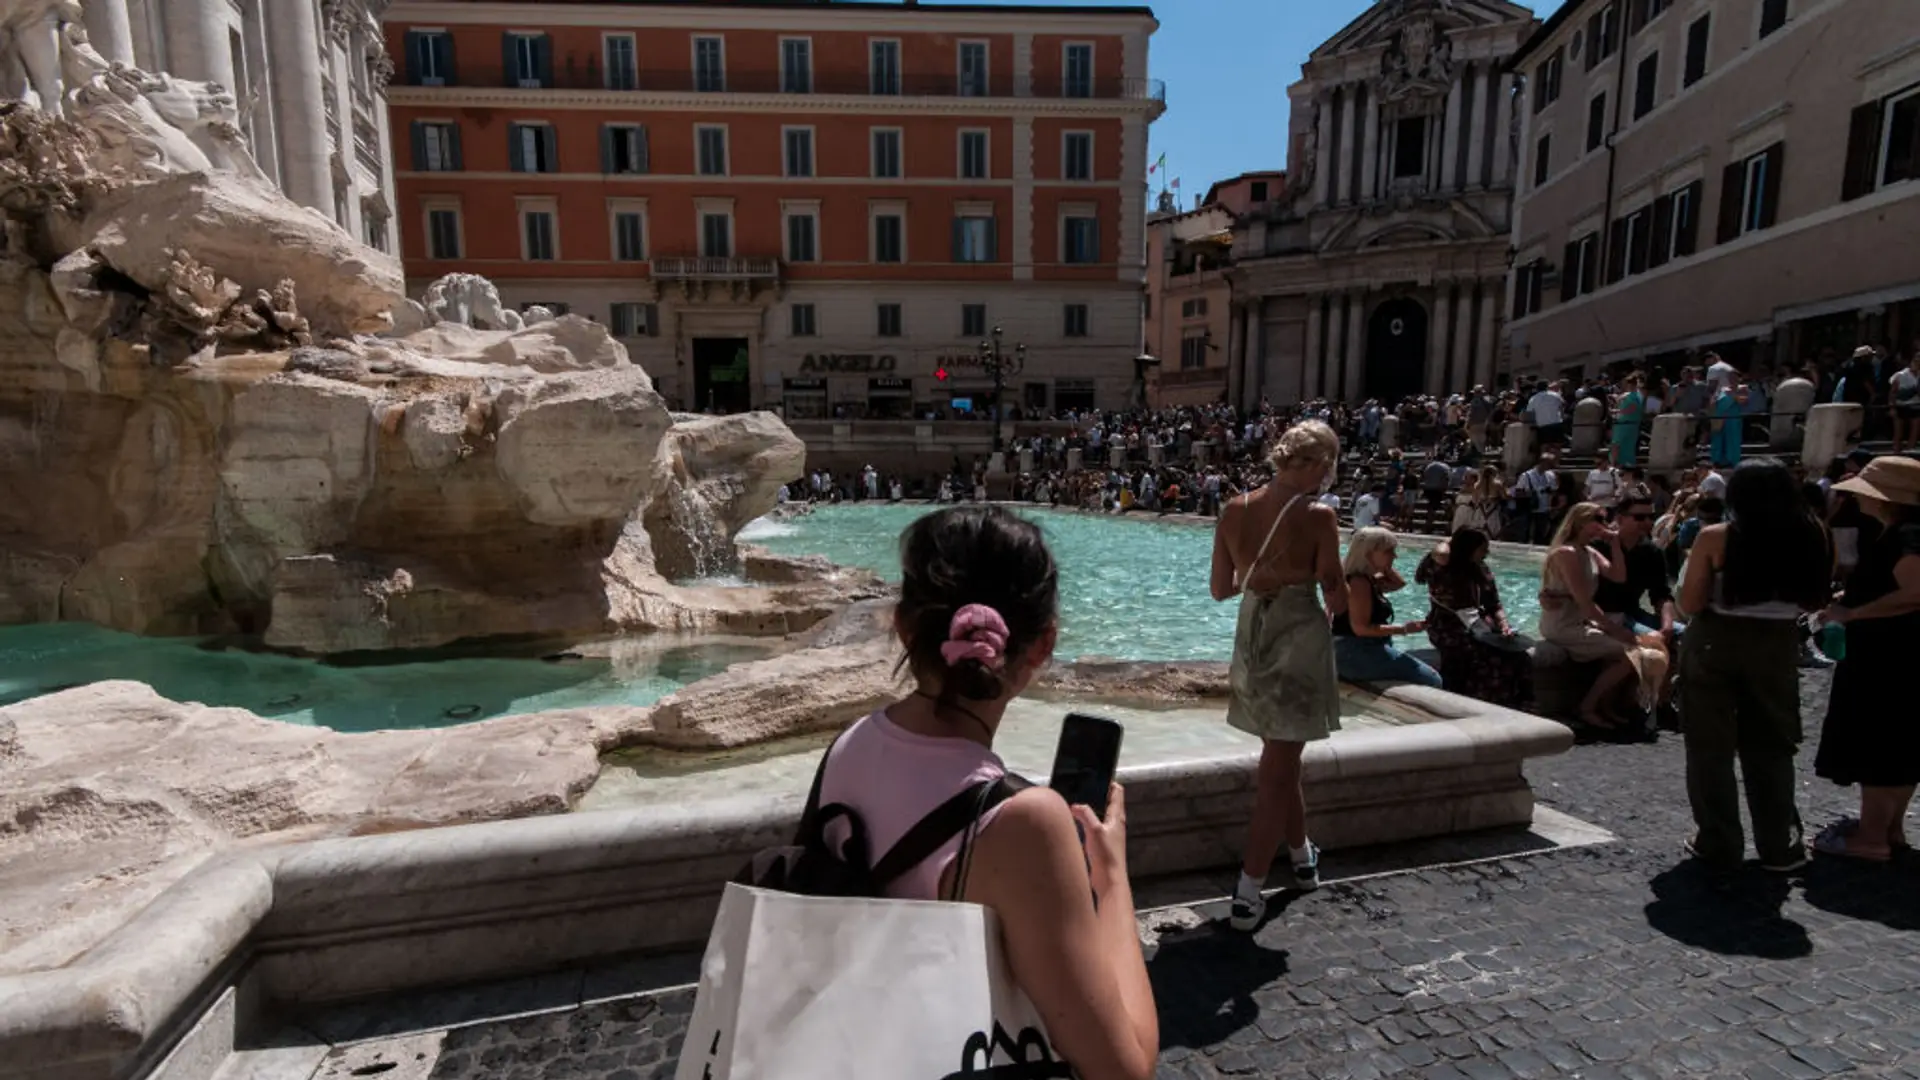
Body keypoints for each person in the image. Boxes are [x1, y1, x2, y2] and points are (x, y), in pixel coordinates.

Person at [817, 506, 1159, 1078]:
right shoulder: (1024, 823)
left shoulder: (847, 746)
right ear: (1043, 644)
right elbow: (1124, 1067)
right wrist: (1112, 874)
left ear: (901, 624)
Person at [1210, 420, 1349, 931]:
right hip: (1296, 638)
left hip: (1252, 636)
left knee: (1281, 754)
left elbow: (1220, 589)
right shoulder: (1319, 517)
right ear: (1315, 464)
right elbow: (1334, 594)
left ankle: (1301, 855)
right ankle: (1249, 888)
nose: (1330, 478)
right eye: (1330, 467)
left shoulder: (1234, 508)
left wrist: (1260, 573)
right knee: (1278, 766)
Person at [1675, 460, 1831, 871]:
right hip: (1777, 645)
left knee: (1710, 748)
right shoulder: (1813, 534)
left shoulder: (1717, 537)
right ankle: (1779, 845)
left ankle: (1718, 841)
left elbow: (1689, 604)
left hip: (1716, 640)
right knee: (1772, 746)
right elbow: (1815, 599)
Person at [1812, 457, 1920, 862]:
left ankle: (1872, 836)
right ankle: (1890, 829)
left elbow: (1914, 592)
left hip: (1888, 658)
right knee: (1901, 746)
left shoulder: (1906, 537)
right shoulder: (1900, 533)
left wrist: (1852, 613)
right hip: (1897, 655)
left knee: (1880, 743)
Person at [1539, 502, 1669, 731]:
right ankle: (1587, 707)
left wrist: (1615, 543)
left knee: (1627, 653)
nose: (1604, 524)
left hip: (1580, 623)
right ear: (1580, 521)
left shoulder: (1589, 551)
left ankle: (1609, 706)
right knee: (1630, 654)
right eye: (1597, 519)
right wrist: (1614, 629)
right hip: (1563, 624)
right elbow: (1585, 603)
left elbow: (1619, 576)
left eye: (1604, 519)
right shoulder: (1566, 553)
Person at [1416, 529, 1532, 707]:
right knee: (1484, 657)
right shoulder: (1441, 567)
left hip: (1478, 625)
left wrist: (1503, 624)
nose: (1487, 553)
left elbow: (1494, 604)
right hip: (1447, 626)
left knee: (1519, 656)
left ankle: (1517, 704)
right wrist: (1452, 540)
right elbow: (1440, 552)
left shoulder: (1481, 568)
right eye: (1483, 549)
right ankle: (1478, 704)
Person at [1332, 527, 1442, 688]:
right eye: (1389, 551)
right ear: (1369, 553)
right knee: (1433, 680)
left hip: (1358, 649)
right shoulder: (1358, 583)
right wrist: (1404, 629)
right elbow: (1361, 628)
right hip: (1355, 652)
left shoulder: (1367, 579)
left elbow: (1398, 583)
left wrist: (1384, 566)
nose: (1395, 555)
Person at [1515, 454, 1562, 545]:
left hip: (1544, 509)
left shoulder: (1550, 475)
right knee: (1525, 534)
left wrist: (1550, 494)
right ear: (1542, 462)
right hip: (1529, 509)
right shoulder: (1527, 475)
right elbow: (1518, 492)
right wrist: (1533, 493)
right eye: (1549, 463)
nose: (1550, 466)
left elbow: (1555, 491)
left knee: (1540, 535)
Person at [1612, 374, 1646, 467]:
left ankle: (1614, 465)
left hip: (1625, 424)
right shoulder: (1635, 395)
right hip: (1631, 424)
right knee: (1627, 447)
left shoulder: (1634, 396)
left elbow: (1632, 409)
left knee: (1617, 445)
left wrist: (1617, 411)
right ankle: (1625, 465)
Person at [1891, 350, 1920, 455]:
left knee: (1915, 432)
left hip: (1915, 406)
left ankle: (1909, 453)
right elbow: (1893, 393)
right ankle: (1896, 453)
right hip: (1901, 406)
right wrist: (1892, 408)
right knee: (1898, 433)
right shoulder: (1900, 375)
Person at [1529, 380, 1568, 449]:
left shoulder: (1533, 399)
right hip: (1556, 424)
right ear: (1547, 387)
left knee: (1544, 447)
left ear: (1537, 388)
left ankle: (1544, 458)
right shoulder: (1555, 395)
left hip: (1542, 426)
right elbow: (1563, 405)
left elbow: (1530, 412)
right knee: (1557, 447)